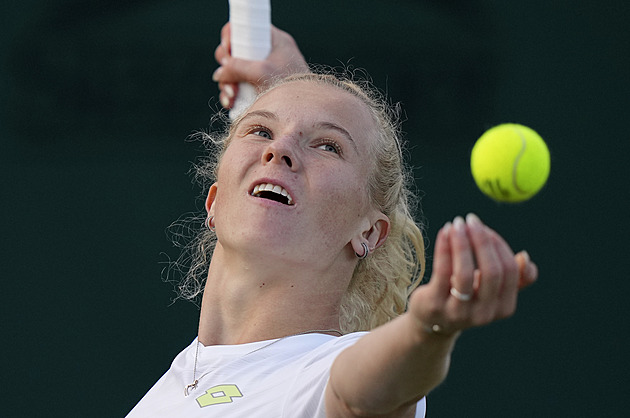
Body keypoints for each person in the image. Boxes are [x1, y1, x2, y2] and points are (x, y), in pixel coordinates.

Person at [127, 24, 538, 417]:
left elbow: (363, 397)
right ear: (214, 201)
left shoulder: (321, 374)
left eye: (329, 146)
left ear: (369, 233)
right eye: (260, 131)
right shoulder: (170, 390)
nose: (280, 149)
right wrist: (302, 93)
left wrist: (428, 330)